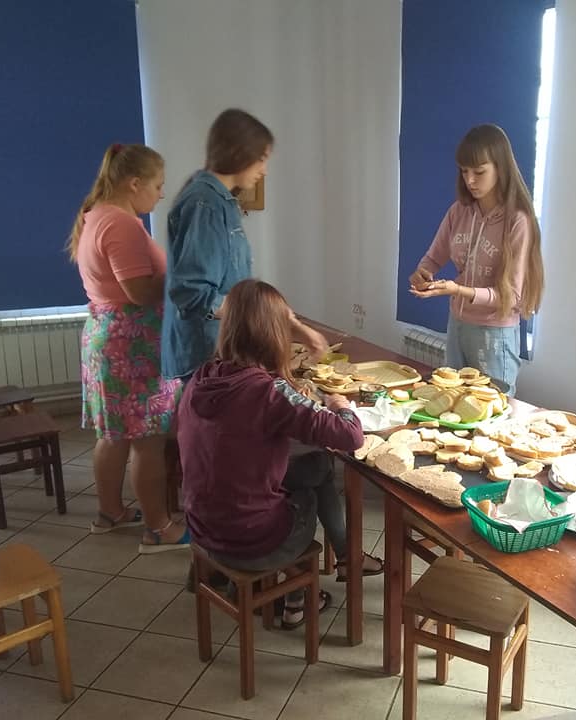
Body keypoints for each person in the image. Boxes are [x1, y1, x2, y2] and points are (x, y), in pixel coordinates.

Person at [178, 279, 383, 628]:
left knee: (310, 468)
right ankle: (299, 596)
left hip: (202, 525)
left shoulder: (201, 377)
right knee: (311, 485)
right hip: (252, 539)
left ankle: (338, 563)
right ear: (273, 333)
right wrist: (341, 405)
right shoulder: (268, 392)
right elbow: (350, 437)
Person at [69, 143, 190, 553]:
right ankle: (158, 528)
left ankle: (110, 513)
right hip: (131, 346)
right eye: (157, 185)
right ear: (134, 183)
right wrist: (182, 272)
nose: (160, 193)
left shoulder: (96, 216)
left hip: (109, 338)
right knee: (147, 440)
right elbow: (140, 292)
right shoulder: (120, 224)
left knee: (114, 435)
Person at [162, 108, 328, 382]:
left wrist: (289, 324)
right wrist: (273, 318)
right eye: (261, 159)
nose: (264, 170)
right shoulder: (205, 204)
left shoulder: (220, 201)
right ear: (238, 152)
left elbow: (239, 293)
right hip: (204, 356)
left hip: (219, 354)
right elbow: (193, 295)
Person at [408, 124, 544, 397]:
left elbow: (512, 296)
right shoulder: (459, 211)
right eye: (464, 171)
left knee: (493, 410)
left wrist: (459, 290)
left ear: (500, 168)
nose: (470, 180)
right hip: (458, 325)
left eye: (479, 172)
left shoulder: (517, 221)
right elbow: (433, 258)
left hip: (495, 333)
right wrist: (422, 273)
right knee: (451, 401)